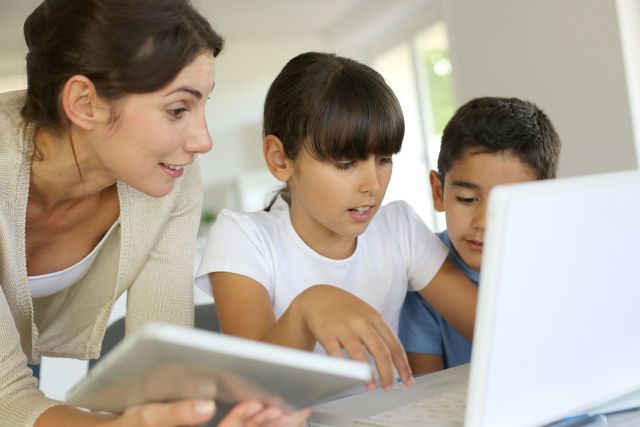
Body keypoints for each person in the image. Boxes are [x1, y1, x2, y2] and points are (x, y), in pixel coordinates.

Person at [0, 1, 308, 426]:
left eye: (204, 106)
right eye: (178, 110)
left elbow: (158, 374)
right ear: (85, 104)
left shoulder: (173, 180)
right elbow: (6, 396)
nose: (203, 140)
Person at [195, 52, 478, 391]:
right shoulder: (244, 238)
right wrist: (306, 308)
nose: (372, 184)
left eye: (384, 159)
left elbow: (494, 329)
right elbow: (256, 390)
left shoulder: (399, 228)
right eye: (345, 163)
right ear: (280, 159)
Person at [399, 96, 561, 374]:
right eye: (466, 198)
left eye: (506, 203)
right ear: (438, 192)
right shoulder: (420, 279)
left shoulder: (560, 268)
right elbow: (424, 396)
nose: (484, 222)